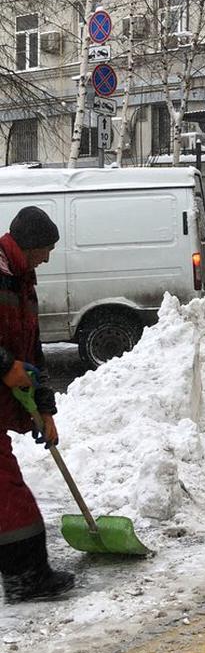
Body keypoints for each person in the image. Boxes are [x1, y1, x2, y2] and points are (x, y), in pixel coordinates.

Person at [0, 206, 74, 603]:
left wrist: (46, 410)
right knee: (8, 493)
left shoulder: (23, 283)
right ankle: (25, 577)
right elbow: (12, 361)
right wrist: (5, 365)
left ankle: (25, 575)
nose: (47, 258)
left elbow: (34, 353)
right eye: (46, 249)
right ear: (28, 245)